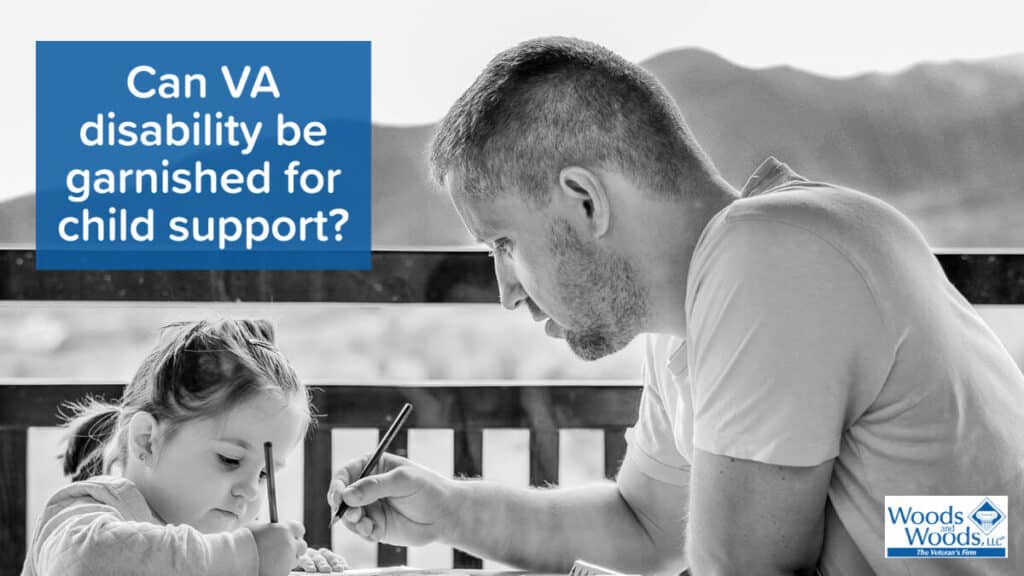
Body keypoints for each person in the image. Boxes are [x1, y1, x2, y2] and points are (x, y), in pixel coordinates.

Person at [328, 36, 1024, 575]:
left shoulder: (767, 256)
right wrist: (448, 510)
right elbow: (646, 526)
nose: (507, 291)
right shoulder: (700, 306)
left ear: (586, 201)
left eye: (505, 244)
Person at [22, 318, 348, 576]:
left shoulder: (213, 544)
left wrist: (280, 563)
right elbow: (85, 563)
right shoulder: (85, 513)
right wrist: (244, 555)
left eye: (264, 474)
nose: (250, 492)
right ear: (146, 440)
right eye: (229, 459)